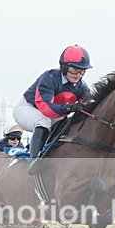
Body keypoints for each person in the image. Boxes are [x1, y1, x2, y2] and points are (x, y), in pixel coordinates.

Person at [13, 44, 93, 174]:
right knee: (43, 121)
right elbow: (46, 108)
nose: (78, 75)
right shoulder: (49, 78)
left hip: (53, 114)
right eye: (74, 69)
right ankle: (34, 161)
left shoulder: (82, 87)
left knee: (68, 125)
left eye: (82, 71)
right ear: (64, 67)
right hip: (27, 108)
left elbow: (89, 106)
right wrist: (70, 108)